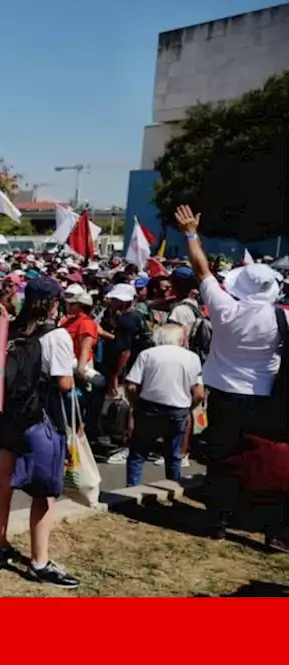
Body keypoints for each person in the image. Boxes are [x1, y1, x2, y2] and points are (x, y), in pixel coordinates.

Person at [176, 205, 287, 545]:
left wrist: (191, 233)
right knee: (266, 459)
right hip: (265, 395)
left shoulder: (224, 307)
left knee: (222, 456)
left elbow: (200, 268)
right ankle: (271, 529)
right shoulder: (282, 318)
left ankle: (218, 520)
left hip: (223, 393)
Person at [0, 277, 79, 589]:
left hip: (8, 415)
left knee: (4, 480)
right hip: (41, 418)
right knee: (44, 492)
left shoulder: (11, 328)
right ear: (54, 302)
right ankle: (40, 561)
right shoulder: (57, 335)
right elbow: (64, 383)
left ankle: (0, 546)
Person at [124, 324, 203, 486]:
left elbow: (131, 386)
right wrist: (188, 409)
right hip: (179, 408)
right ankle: (173, 489)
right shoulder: (192, 358)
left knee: (138, 454)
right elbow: (199, 393)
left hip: (148, 407)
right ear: (181, 339)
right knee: (173, 455)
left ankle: (131, 492)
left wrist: (135, 404)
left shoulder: (147, 354)